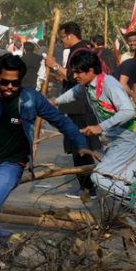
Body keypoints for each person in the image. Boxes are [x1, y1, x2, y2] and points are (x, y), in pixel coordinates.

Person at [0, 53, 91, 271]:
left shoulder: (32, 99)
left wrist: (80, 143)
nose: (9, 87)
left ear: (21, 81)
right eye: (4, 82)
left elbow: (61, 120)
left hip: (11, 166)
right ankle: (9, 240)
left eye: (15, 83)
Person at [53, 51, 136, 217]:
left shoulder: (109, 84)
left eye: (79, 72)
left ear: (91, 71)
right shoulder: (87, 85)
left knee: (100, 177)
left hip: (126, 138)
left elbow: (128, 111)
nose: (75, 75)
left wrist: (100, 127)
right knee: (123, 178)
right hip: (114, 139)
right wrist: (54, 102)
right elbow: (74, 93)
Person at [44, 22, 102, 200]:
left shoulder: (80, 51)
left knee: (80, 144)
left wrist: (54, 65)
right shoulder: (77, 51)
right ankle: (86, 185)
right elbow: (68, 78)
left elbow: (73, 77)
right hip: (75, 103)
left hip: (80, 105)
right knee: (76, 142)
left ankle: (87, 187)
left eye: (62, 37)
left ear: (70, 35)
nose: (61, 42)